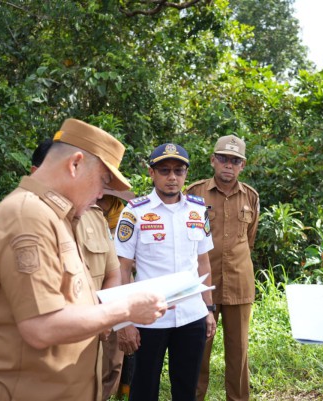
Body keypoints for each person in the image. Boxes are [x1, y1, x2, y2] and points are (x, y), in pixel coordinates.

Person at [0, 118, 167, 401]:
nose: (102, 194)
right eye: (103, 181)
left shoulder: (60, 218)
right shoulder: (28, 216)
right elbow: (40, 327)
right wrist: (126, 309)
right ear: (75, 164)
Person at [114, 143, 217, 401]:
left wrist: (208, 309)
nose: (172, 177)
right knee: (143, 390)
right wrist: (124, 321)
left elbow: (203, 262)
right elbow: (122, 268)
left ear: (186, 174)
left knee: (186, 389)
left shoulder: (198, 209)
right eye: (164, 170)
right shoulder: (134, 212)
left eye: (178, 171)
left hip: (191, 314)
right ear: (152, 173)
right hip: (150, 318)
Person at [30, 138, 125, 401]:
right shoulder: (24, 220)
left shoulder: (95, 216)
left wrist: (103, 314)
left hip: (91, 345)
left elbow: (113, 273)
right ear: (35, 173)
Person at [186, 135, 260, 401]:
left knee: (238, 351)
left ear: (242, 165)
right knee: (198, 349)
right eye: (223, 159)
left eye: (235, 160)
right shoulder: (194, 193)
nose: (229, 165)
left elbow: (249, 239)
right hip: (202, 284)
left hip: (239, 283)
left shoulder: (250, 196)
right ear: (213, 160)